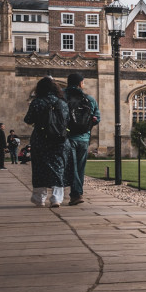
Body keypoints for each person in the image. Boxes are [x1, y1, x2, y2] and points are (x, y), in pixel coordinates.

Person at [24, 76, 70, 207]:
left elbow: (28, 120)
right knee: (58, 167)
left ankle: (39, 199)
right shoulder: (63, 103)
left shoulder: (37, 102)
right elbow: (68, 121)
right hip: (60, 140)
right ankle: (56, 198)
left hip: (40, 139)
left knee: (39, 168)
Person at [63, 72, 100, 207]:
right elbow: (97, 118)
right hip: (84, 138)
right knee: (79, 167)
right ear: (80, 83)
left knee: (71, 166)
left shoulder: (62, 96)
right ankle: (77, 193)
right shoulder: (89, 99)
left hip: (66, 137)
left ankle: (75, 194)